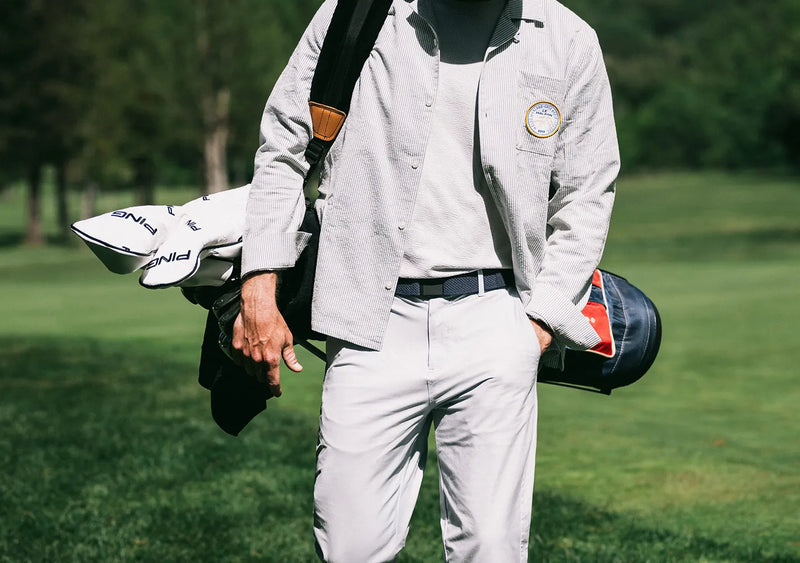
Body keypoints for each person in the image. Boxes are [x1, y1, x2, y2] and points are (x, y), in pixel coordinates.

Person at [233, 0, 619, 560]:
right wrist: (258, 288)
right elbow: (284, 151)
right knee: (348, 545)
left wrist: (539, 321)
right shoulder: (356, 15)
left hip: (498, 317)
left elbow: (588, 191)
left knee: (489, 547)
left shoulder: (566, 38)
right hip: (368, 318)